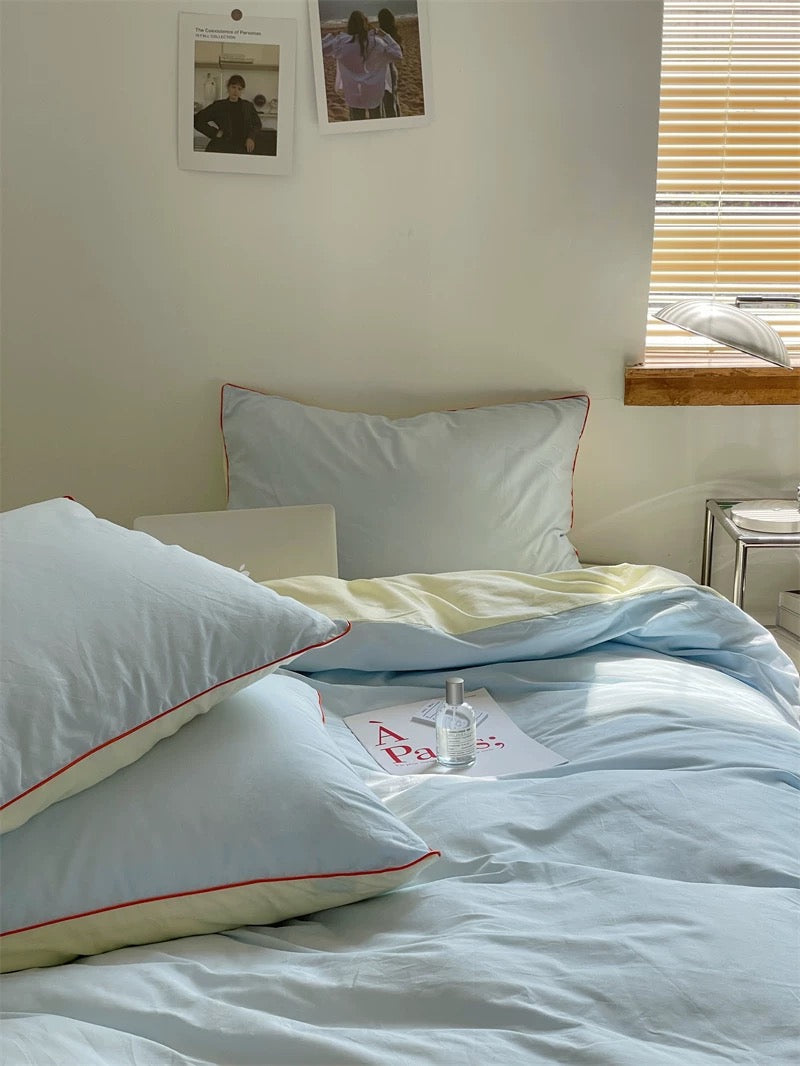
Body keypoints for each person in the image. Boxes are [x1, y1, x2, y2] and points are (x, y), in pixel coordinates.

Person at [322, 10, 402, 120]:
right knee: (377, 121)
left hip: (353, 92)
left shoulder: (341, 43)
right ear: (366, 23)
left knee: (357, 122)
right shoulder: (376, 42)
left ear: (349, 25)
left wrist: (331, 35)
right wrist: (386, 36)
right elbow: (398, 54)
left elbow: (321, 48)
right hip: (374, 92)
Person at [193, 74, 261, 153]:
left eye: (239, 89)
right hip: (222, 148)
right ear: (228, 87)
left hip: (242, 148)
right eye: (233, 87)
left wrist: (251, 137)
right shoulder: (219, 106)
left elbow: (257, 124)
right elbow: (197, 120)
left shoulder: (248, 106)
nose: (236, 91)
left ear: (242, 91)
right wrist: (214, 132)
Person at [377, 7, 401, 118]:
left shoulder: (382, 35)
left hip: (385, 71)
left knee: (388, 102)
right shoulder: (394, 33)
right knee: (394, 100)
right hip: (392, 69)